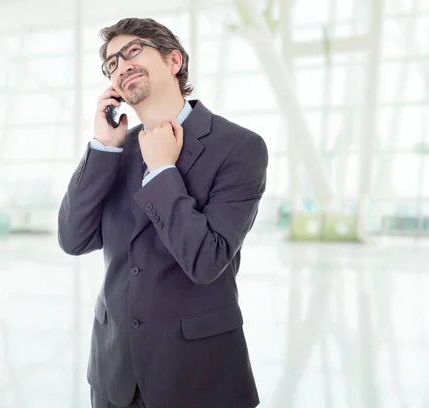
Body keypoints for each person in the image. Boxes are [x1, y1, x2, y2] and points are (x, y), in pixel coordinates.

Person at [58, 17, 268, 408]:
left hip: (198, 378)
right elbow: (73, 239)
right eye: (111, 64)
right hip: (114, 377)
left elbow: (206, 261)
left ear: (174, 61)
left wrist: (162, 172)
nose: (121, 65)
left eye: (133, 51)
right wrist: (103, 148)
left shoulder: (239, 148)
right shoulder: (117, 150)